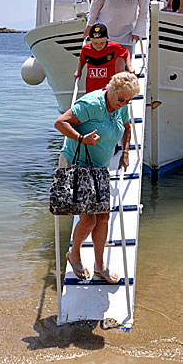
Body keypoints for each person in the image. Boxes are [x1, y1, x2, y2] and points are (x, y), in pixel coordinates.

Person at [54, 71, 140, 283]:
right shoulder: (91, 103)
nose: (123, 104)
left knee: (103, 217)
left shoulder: (121, 106)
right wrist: (82, 138)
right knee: (89, 219)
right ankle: (74, 254)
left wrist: (126, 152)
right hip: (78, 164)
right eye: (120, 99)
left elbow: (127, 127)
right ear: (110, 90)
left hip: (99, 168)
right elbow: (60, 123)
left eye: (128, 101)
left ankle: (100, 266)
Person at [75, 23, 132, 94]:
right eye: (95, 43)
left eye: (102, 42)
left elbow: (126, 52)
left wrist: (129, 67)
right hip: (91, 89)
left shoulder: (113, 47)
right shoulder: (86, 49)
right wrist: (79, 71)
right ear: (90, 39)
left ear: (106, 39)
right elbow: (82, 60)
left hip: (109, 88)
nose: (99, 45)